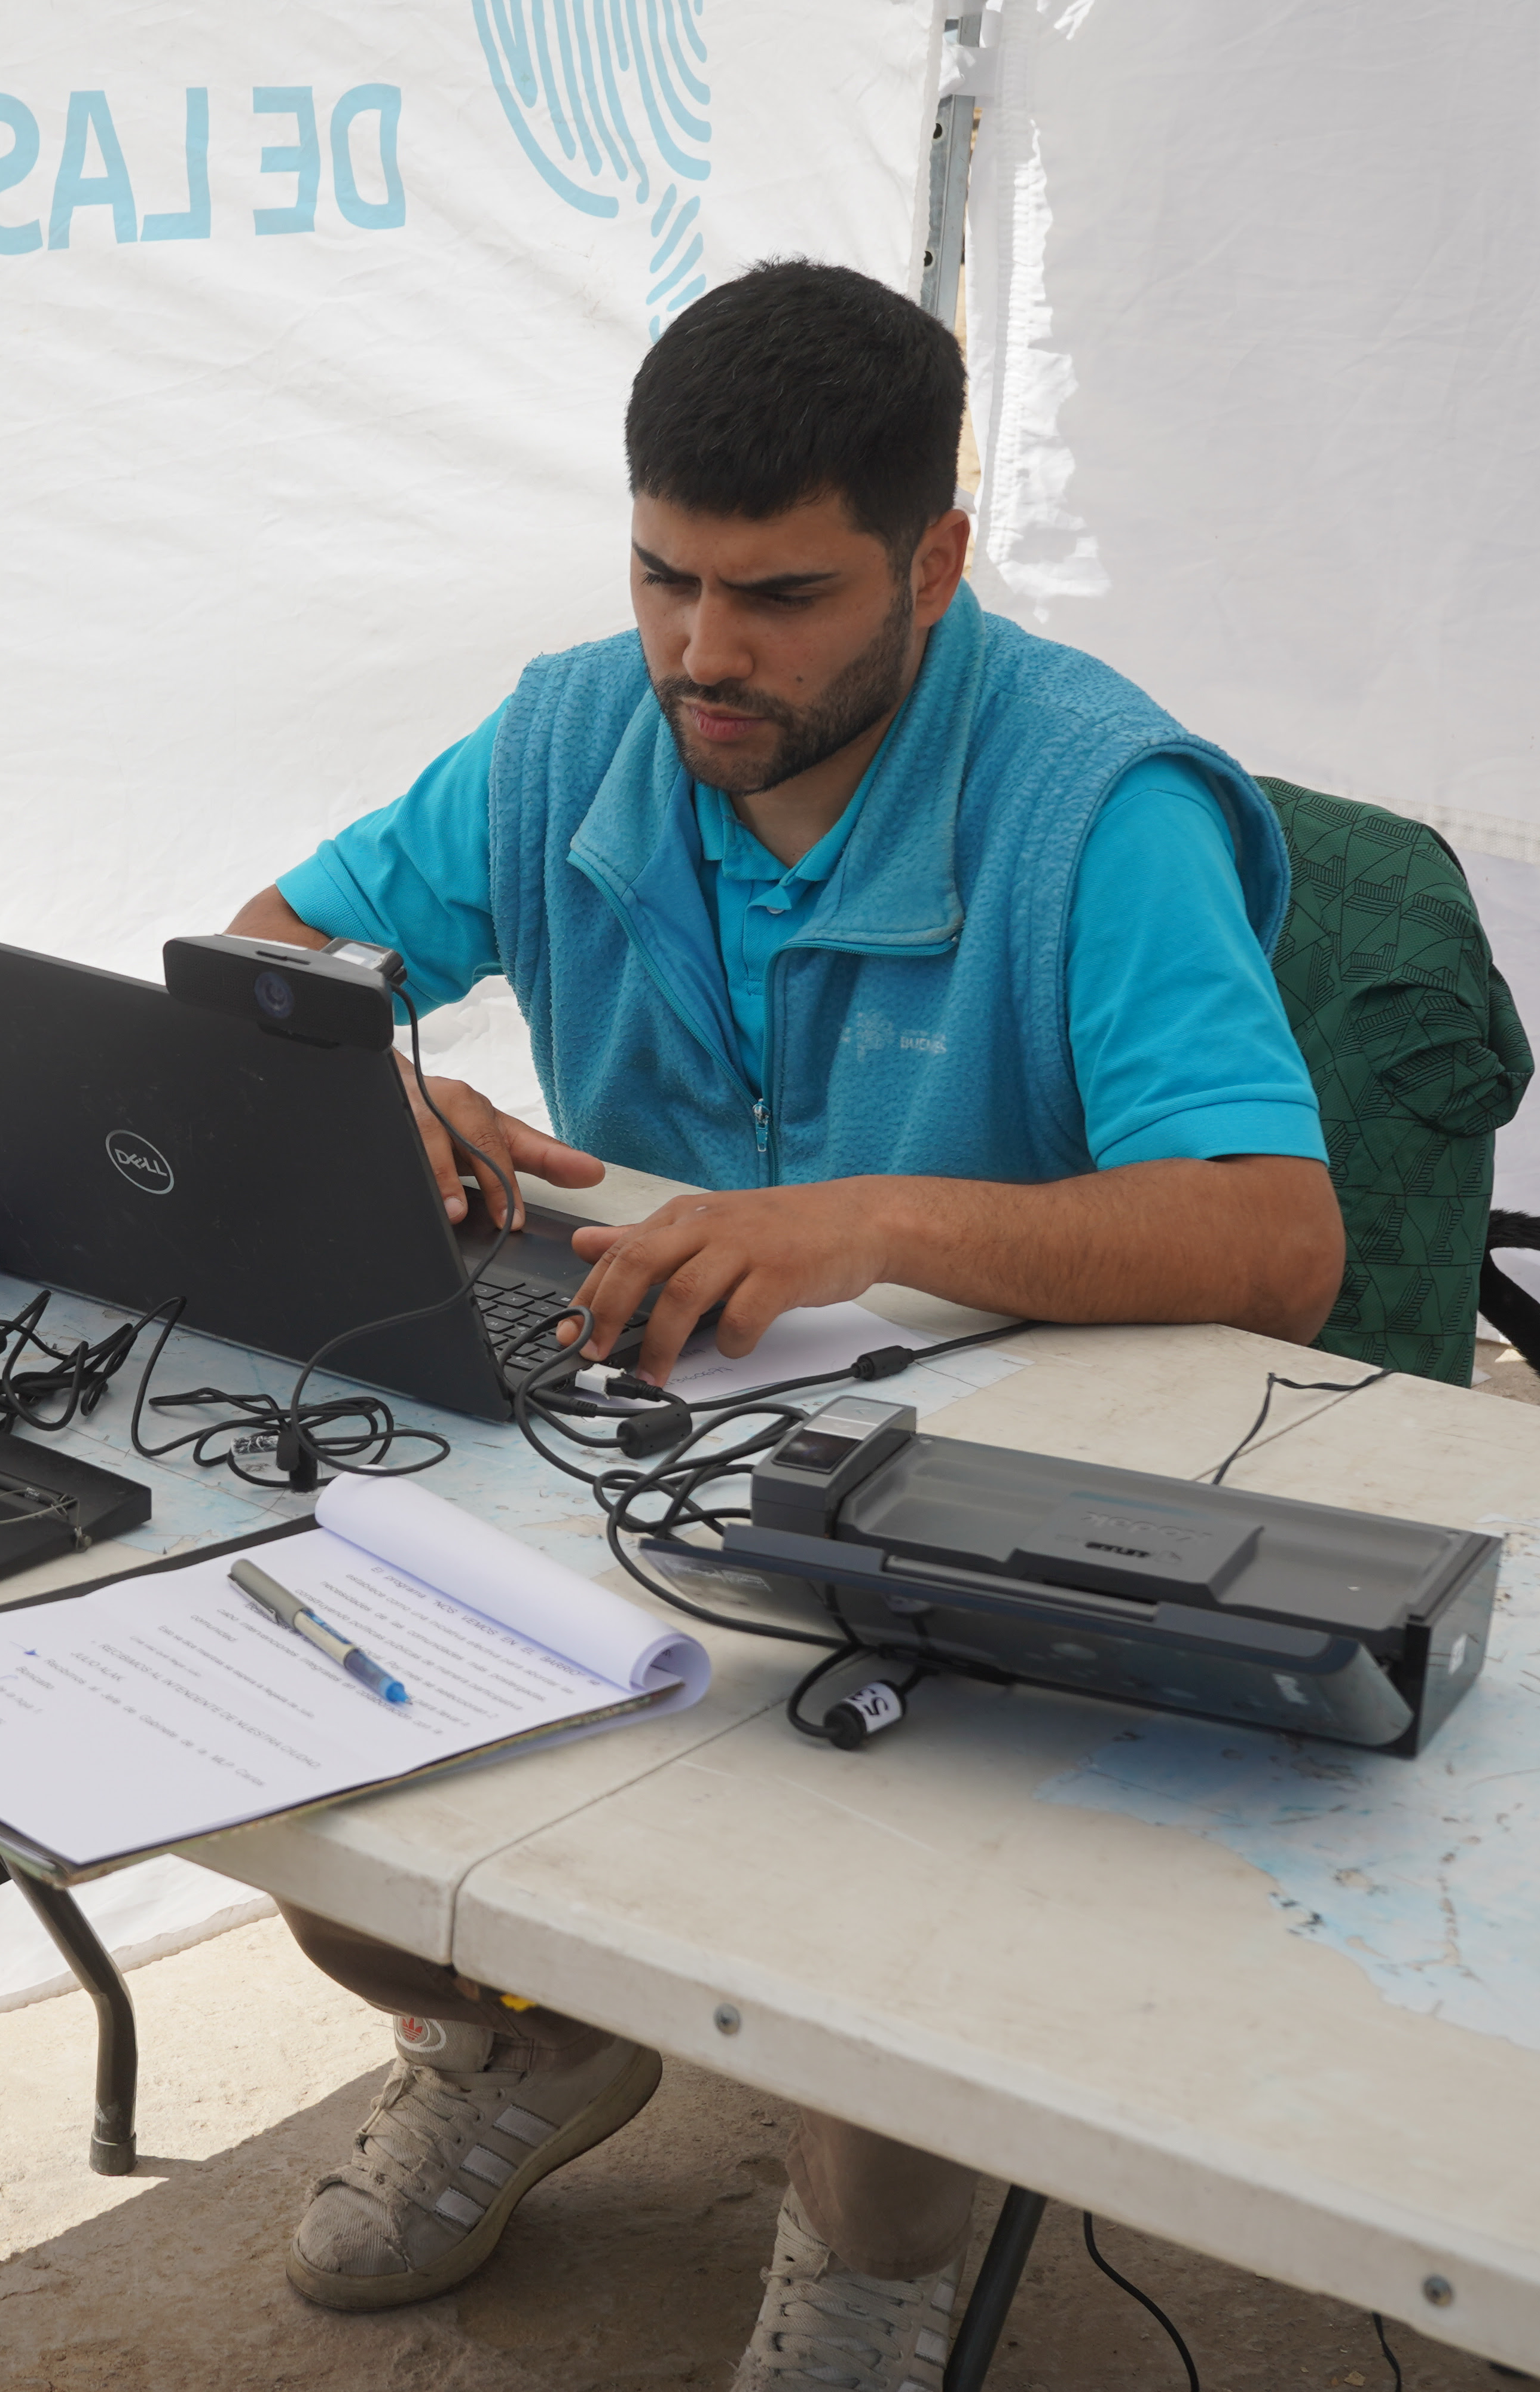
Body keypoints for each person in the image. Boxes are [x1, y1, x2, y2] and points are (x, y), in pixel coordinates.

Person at [224, 263, 1343, 2391]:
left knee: (870, 1903)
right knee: (294, 1752)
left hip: (987, 1486)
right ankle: (520, 2045)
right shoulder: (575, 723)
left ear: (936, 559)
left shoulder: (1099, 803)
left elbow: (1276, 1239)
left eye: (784, 599)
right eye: (665, 579)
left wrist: (878, 1224)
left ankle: (873, 2241)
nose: (703, 658)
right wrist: (349, 1070)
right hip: (619, 1422)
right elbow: (263, 952)